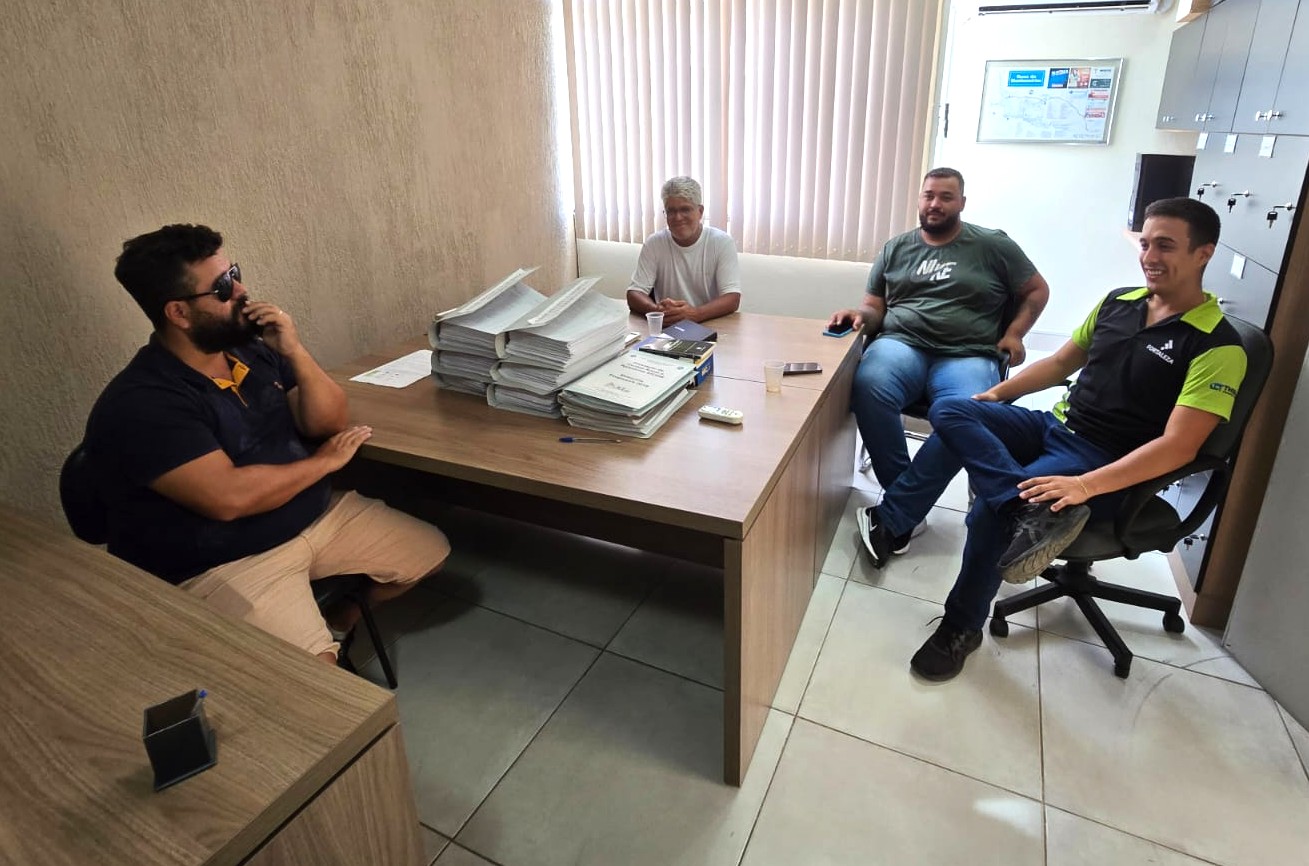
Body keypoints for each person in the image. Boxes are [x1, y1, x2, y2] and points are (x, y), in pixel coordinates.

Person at [910, 197, 1247, 681]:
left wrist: (1085, 486)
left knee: (987, 512)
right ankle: (1019, 505)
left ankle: (960, 627)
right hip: (1056, 427)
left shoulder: (1219, 346)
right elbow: (1060, 364)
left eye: (1166, 246)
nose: (1149, 257)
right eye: (1145, 244)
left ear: (1203, 254)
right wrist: (997, 396)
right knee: (950, 409)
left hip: (1107, 462)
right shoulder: (1119, 302)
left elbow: (1179, 447)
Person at [83, 224, 450, 665]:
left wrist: (294, 350)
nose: (242, 292)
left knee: (431, 553)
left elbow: (329, 421)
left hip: (312, 517)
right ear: (179, 313)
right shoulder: (143, 402)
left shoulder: (248, 350)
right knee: (322, 686)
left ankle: (340, 620)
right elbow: (229, 498)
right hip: (227, 559)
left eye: (235, 273)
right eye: (223, 287)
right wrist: (323, 464)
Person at [828, 168, 1050, 564]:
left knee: (967, 411)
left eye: (946, 197)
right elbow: (875, 306)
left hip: (969, 352)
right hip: (902, 344)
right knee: (869, 385)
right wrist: (859, 315)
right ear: (919, 199)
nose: (935, 204)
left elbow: (1037, 289)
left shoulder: (992, 245)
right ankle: (907, 504)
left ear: (962, 202)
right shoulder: (896, 248)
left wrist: (1015, 333)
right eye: (929, 195)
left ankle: (898, 514)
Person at [627, 176, 742, 325]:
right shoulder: (654, 243)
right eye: (671, 211)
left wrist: (695, 314)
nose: (678, 217)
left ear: (700, 211)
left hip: (710, 324)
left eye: (685, 209)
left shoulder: (721, 242)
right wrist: (658, 311)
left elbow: (732, 298)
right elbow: (634, 293)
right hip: (669, 326)